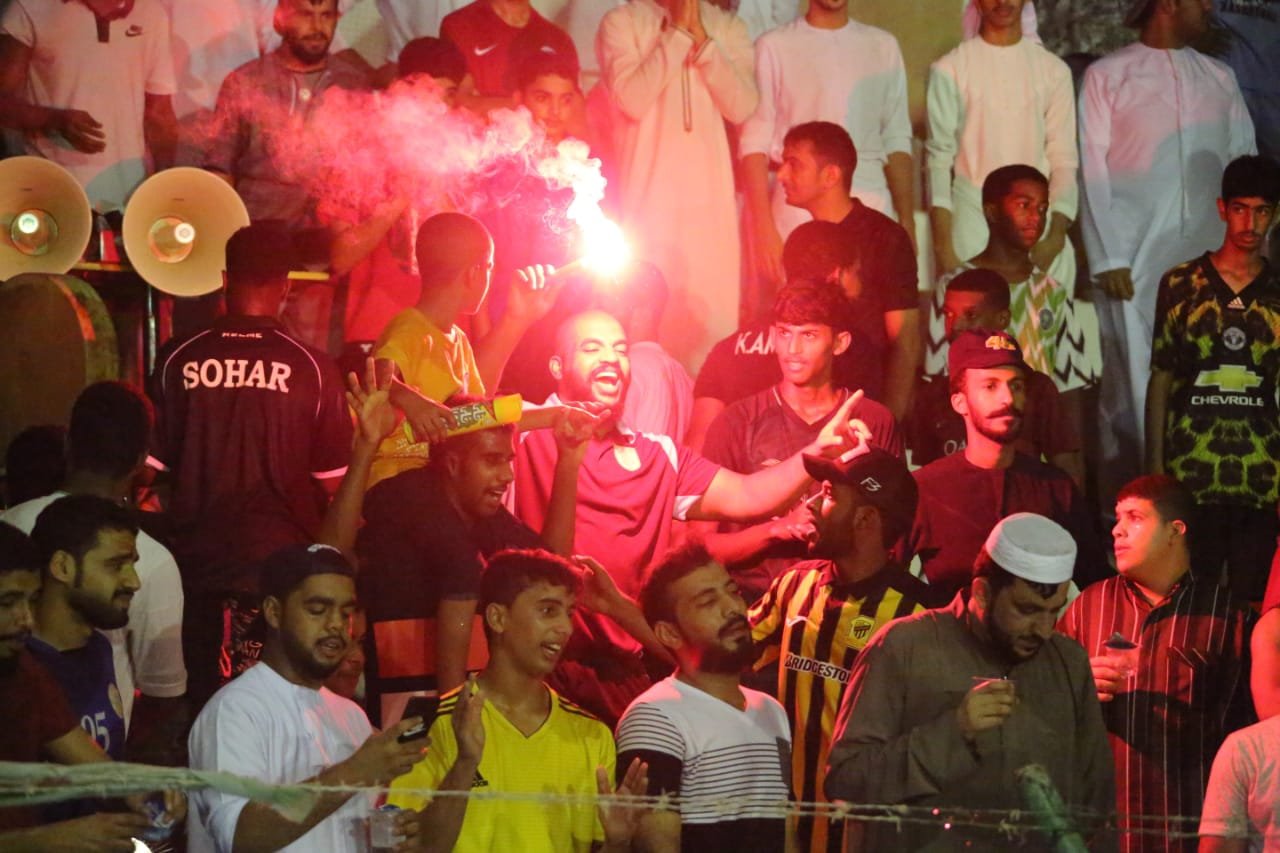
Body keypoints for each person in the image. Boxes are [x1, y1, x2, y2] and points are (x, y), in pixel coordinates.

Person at [512, 309, 870, 720]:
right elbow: (464, 417)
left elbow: (750, 495)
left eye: (620, 349)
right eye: (591, 348)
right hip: (541, 668)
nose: (610, 358)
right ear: (557, 366)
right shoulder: (522, 434)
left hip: (633, 670)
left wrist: (816, 451)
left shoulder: (657, 452)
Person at [149, 223, 354, 702]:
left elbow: (149, 470)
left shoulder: (178, 357)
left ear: (224, 280)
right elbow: (335, 487)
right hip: (280, 584)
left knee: (204, 710)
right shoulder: (314, 369)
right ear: (286, 286)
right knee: (274, 711)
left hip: (193, 576)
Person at [827, 513, 1116, 851]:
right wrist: (954, 731)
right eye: (1027, 610)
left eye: (1053, 611)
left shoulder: (1067, 662)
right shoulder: (904, 647)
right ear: (982, 593)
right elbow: (847, 781)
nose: (1043, 629)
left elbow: (1096, 804)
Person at [1079, 0, 1256, 505]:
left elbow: (1243, 160)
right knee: (1131, 391)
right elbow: (1091, 169)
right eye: (1201, 1)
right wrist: (1108, 256)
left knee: (1210, 383)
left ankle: (1202, 511)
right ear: (1170, 5)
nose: (1209, 10)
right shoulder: (1108, 76)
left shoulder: (1219, 78)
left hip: (1209, 261)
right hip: (1132, 265)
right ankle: (1127, 515)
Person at [388, 549, 647, 852]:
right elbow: (410, 846)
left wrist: (617, 843)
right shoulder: (429, 725)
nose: (565, 628)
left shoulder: (592, 734)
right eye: (548, 611)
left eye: (569, 613)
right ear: (498, 618)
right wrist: (465, 764)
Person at [749, 448, 936, 853]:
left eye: (830, 494)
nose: (814, 504)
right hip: (785, 827)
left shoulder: (919, 617)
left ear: (866, 519)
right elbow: (715, 658)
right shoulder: (793, 585)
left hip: (864, 836)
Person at [1059, 475, 1256, 853]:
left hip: (1188, 826)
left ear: (1174, 531)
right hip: (1103, 830)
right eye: (1117, 518)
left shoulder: (1227, 616)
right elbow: (1042, 700)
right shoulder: (1088, 606)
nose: (1117, 530)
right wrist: (1076, 690)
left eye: (1134, 517)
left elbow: (1245, 734)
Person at [187, 543, 425, 853]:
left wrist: (391, 838)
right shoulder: (235, 711)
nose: (336, 625)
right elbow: (239, 837)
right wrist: (357, 771)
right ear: (274, 612)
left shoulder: (351, 716)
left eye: (346, 612)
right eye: (317, 610)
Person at [359, 399, 591, 694]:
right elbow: (463, 572)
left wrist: (569, 460)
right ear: (453, 464)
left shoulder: (477, 509)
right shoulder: (408, 496)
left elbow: (551, 569)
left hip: (442, 688)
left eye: (508, 460)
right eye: (492, 460)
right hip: (397, 693)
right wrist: (454, 712)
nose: (508, 475)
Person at [1, 382, 186, 751]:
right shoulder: (28, 675)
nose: (132, 581)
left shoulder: (10, 524)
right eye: (116, 565)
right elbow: (162, 700)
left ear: (68, 445)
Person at [699, 280, 902, 602]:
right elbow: (700, 548)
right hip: (753, 607)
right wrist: (776, 530)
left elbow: (894, 539)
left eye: (808, 335)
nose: (792, 349)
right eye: (784, 333)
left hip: (844, 608)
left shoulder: (873, 421)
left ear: (839, 342)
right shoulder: (736, 422)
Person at [1145, 154, 1280, 600]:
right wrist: (1154, 470)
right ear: (1222, 209)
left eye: (1262, 210)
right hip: (1191, 474)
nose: (1250, 222)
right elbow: (1161, 377)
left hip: (1260, 476)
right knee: (1187, 605)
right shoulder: (1181, 283)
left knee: (1250, 607)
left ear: (1275, 214)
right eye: (1240, 209)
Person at [0, 522, 185, 848]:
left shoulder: (23, 673)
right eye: (7, 603)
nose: (26, 619)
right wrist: (46, 841)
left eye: (32, 600)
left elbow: (91, 763)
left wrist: (147, 792)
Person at [596, 0, 758, 368]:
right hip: (649, 207)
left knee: (711, 331)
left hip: (710, 212)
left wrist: (703, 40)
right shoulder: (623, 22)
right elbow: (632, 99)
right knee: (649, 328)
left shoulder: (727, 27)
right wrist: (678, 35)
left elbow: (743, 105)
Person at [904, 329, 1105, 601]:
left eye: (1016, 386)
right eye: (990, 386)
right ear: (960, 402)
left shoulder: (1055, 488)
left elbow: (1097, 584)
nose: (1008, 399)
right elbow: (882, 582)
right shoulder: (924, 490)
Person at [616, 545, 793, 850]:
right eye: (708, 602)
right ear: (669, 634)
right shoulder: (655, 717)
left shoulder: (771, 711)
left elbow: (785, 830)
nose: (733, 608)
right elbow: (657, 844)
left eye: (733, 592)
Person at [368, 211, 562, 489]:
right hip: (395, 485)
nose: (491, 277)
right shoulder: (409, 329)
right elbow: (376, 372)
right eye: (490, 267)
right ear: (474, 273)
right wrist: (411, 400)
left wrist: (558, 415)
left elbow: (478, 414)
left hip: (436, 480)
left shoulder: (458, 339)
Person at [739, 0, 913, 290]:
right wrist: (763, 228)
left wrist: (907, 221)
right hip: (797, 205)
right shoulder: (774, 45)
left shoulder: (883, 46)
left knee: (871, 305)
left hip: (870, 201)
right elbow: (754, 142)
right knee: (802, 305)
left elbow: (897, 136)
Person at [926, 0, 1079, 292]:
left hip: (1041, 229)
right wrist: (944, 247)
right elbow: (939, 159)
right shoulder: (950, 69)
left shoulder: (1053, 71)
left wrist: (1055, 237)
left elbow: (1063, 158)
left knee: (1044, 320)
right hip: (974, 222)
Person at [774, 121, 920, 420]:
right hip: (810, 409)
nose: (781, 175)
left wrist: (889, 419)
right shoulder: (803, 240)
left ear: (831, 175)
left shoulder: (884, 237)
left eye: (794, 164)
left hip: (866, 402)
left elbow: (905, 340)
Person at [688, 219, 876, 450]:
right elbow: (868, 438)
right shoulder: (852, 348)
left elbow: (699, 443)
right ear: (837, 275)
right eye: (856, 273)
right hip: (820, 471)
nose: (860, 285)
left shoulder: (727, 349)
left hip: (739, 474)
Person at [924, 164, 1100, 400]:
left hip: (1037, 422)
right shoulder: (954, 286)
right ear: (992, 212)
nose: (1036, 217)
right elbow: (938, 380)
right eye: (1023, 205)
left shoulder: (1052, 291)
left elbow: (1070, 390)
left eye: (1042, 208)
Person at [0, 0, 177, 212]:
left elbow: (160, 115)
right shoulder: (30, 7)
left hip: (130, 196)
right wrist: (51, 119)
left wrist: (163, 189)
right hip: (51, 193)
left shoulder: (151, 14)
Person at [910, 267, 1083, 484]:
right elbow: (924, 477)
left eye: (971, 315)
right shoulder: (933, 394)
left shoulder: (1036, 388)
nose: (957, 325)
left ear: (1002, 319)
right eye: (949, 314)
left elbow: (1067, 469)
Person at [26, 496, 140, 763]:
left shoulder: (99, 648)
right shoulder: (19, 667)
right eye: (115, 565)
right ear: (62, 567)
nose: (134, 582)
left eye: (133, 564)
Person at [441, 0, 577, 104]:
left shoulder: (559, 40)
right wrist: (532, 107)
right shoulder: (459, 25)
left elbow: (573, 111)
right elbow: (459, 102)